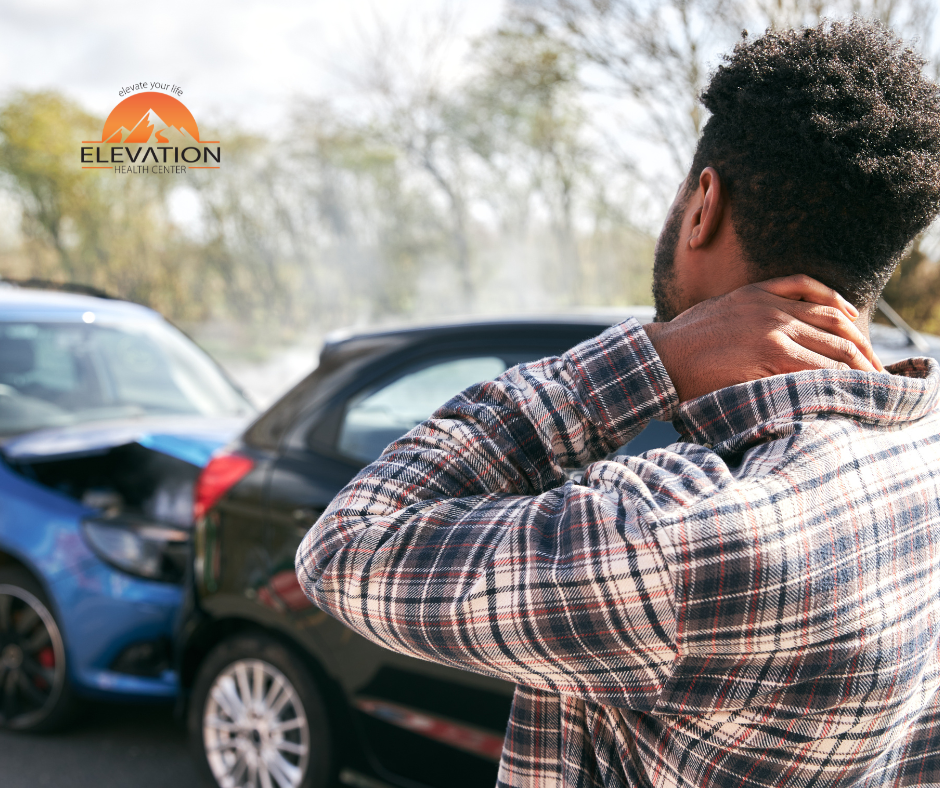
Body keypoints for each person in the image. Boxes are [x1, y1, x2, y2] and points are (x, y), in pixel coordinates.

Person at [296, 19, 940, 788]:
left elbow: (346, 547)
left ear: (704, 204)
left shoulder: (676, 537)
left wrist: (651, 357)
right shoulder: (922, 449)